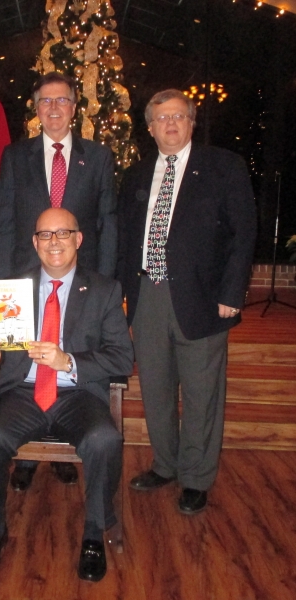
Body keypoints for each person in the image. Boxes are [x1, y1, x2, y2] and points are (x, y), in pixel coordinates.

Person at [0, 207, 133, 581]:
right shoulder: (11, 290)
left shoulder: (104, 290)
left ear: (79, 239)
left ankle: (94, 534)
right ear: (34, 242)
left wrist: (68, 361)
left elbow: (123, 357)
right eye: (45, 234)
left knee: (104, 440)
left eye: (63, 233)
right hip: (21, 393)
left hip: (79, 394)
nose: (54, 241)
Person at [117, 89, 256, 515]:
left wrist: (232, 293)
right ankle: (165, 464)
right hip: (147, 295)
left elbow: (243, 233)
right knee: (156, 389)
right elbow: (125, 239)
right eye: (162, 118)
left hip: (205, 297)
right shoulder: (136, 174)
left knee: (201, 393)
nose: (171, 124)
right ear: (150, 127)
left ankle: (196, 477)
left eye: (179, 116)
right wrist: (120, 297)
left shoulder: (223, 167)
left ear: (192, 122)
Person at [0, 71, 118, 490]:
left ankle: (67, 439)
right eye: (45, 101)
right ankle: (27, 457)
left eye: (62, 100)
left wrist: (105, 287)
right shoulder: (15, 156)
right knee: (26, 368)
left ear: (74, 107)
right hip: (25, 287)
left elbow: (106, 223)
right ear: (36, 109)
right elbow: (4, 222)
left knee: (68, 363)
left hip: (79, 285)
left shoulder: (97, 157)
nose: (54, 108)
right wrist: (3, 290)